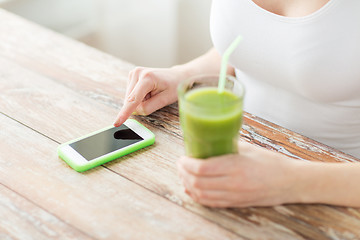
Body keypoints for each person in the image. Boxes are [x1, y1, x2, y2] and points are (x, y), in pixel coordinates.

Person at [114, 0, 360, 208]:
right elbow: (254, 44)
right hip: (239, 170)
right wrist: (185, 74)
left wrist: (291, 181)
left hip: (333, 198)